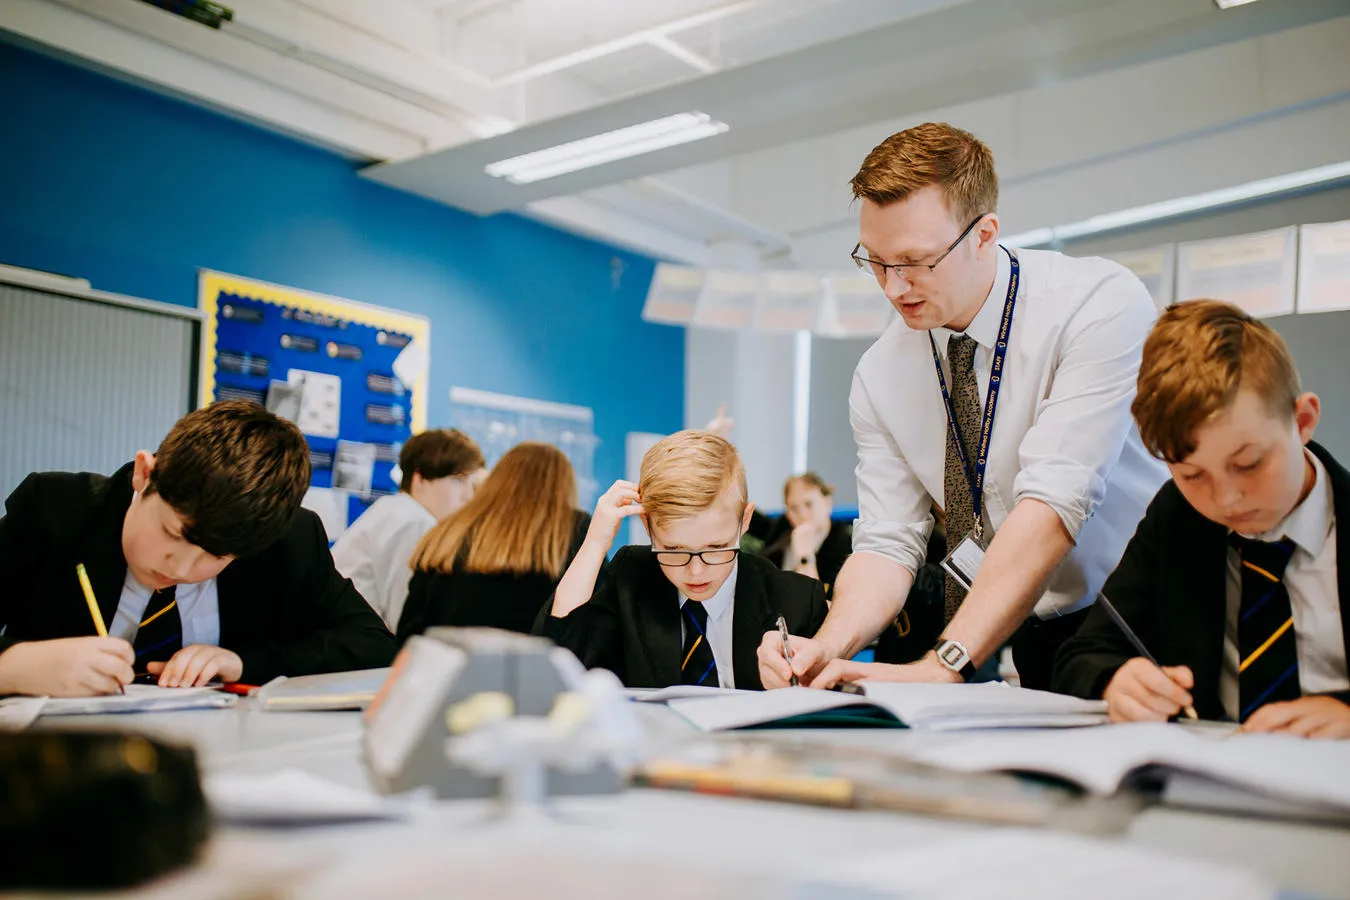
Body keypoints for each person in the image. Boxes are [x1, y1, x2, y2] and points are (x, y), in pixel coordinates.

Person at [759, 121, 1168, 692]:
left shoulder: (1094, 304)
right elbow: (888, 542)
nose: (894, 287)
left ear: (984, 234)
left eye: (915, 260)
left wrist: (942, 664)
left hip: (1148, 613)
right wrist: (824, 647)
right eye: (874, 261)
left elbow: (1054, 504)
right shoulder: (881, 374)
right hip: (1028, 622)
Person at [1053, 301, 1350, 738]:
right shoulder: (1179, 516)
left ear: (1302, 421)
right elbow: (1087, 652)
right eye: (1192, 475)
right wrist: (1116, 681)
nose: (1226, 499)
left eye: (1248, 463)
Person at [0, 400, 396, 697]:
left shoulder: (286, 541)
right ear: (144, 474)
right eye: (174, 534)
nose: (183, 569)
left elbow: (373, 645)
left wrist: (244, 663)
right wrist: (13, 667)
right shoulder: (53, 511)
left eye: (218, 556)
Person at [538, 430, 827, 689]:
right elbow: (558, 662)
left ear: (745, 521)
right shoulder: (632, 578)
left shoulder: (796, 600)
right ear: (648, 527)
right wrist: (595, 542)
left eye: (716, 547)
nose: (696, 571)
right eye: (674, 549)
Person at [396, 442, 589, 642]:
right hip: (528, 669)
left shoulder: (447, 533)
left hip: (442, 668)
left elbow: (409, 634)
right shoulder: (572, 529)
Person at [332, 428, 485, 629]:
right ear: (420, 479)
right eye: (457, 480)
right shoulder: (413, 520)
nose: (467, 495)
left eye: (471, 484)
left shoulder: (396, 509)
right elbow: (404, 621)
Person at [751, 473, 852, 597]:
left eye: (809, 504)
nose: (803, 515)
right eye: (794, 508)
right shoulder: (782, 529)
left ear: (827, 503)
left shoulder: (845, 547)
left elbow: (818, 606)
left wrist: (805, 557)